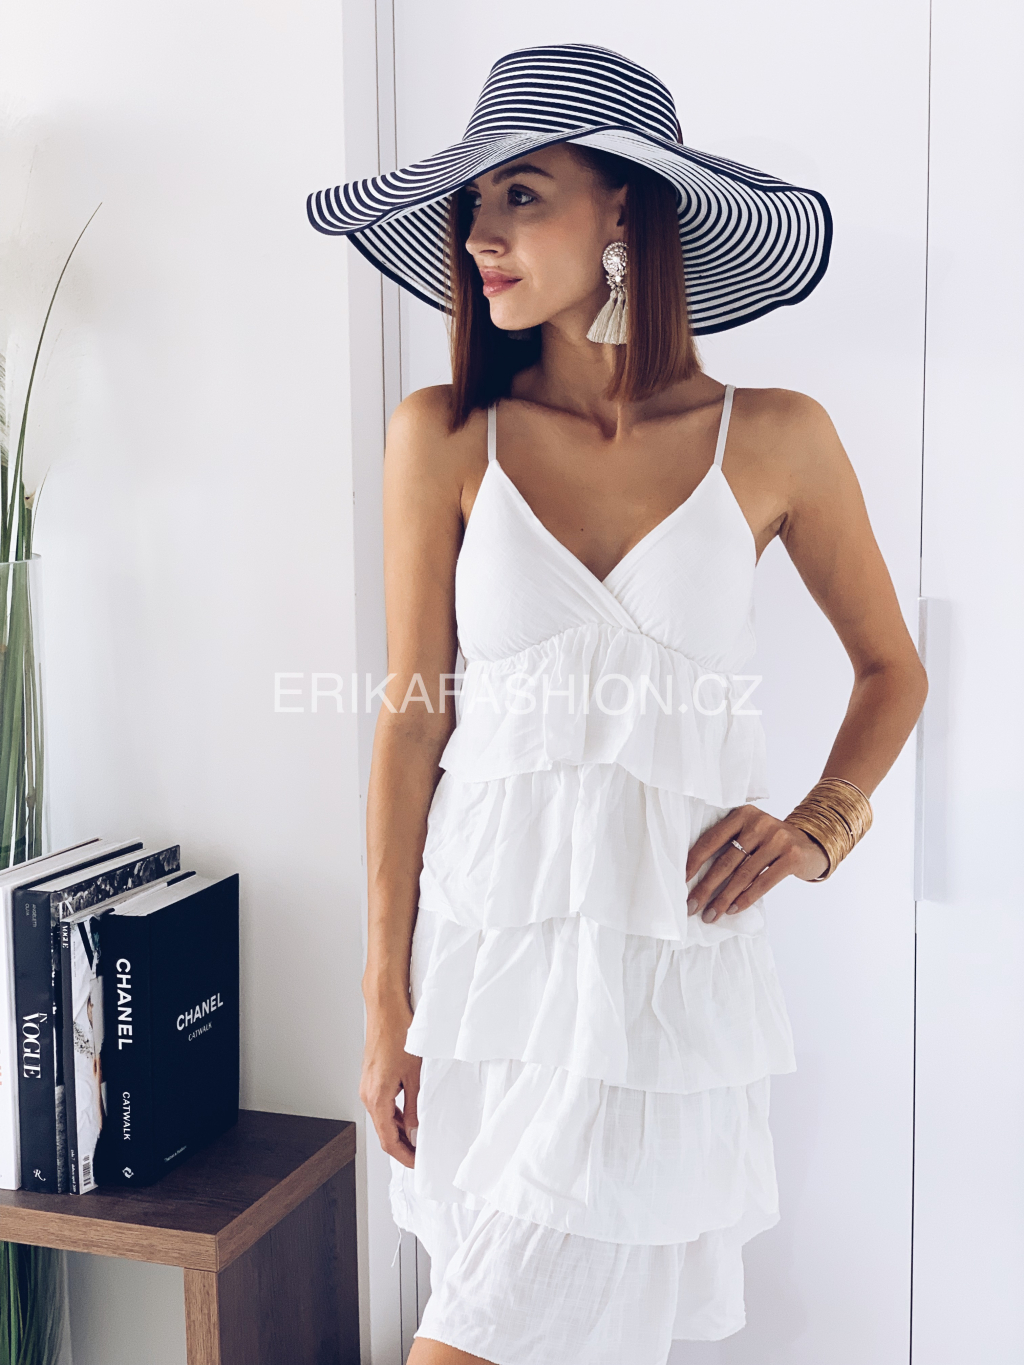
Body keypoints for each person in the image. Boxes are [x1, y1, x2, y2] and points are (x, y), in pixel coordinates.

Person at [308, 42, 927, 1365]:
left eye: (522, 194)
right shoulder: (441, 433)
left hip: (665, 975)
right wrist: (383, 1003)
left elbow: (893, 668)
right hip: (488, 971)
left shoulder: (776, 436)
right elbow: (412, 721)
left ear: (626, 212)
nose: (481, 234)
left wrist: (819, 825)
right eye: (473, 204)